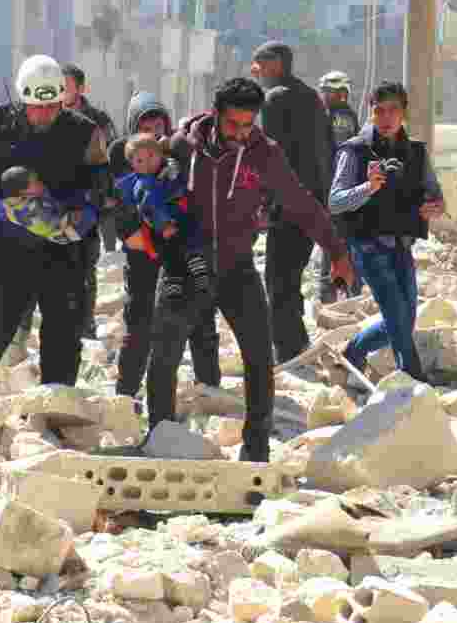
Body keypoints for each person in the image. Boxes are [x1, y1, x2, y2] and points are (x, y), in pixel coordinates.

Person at [144, 78, 353, 463]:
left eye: (248, 125)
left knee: (259, 358)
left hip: (236, 268)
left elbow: (301, 203)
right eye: (233, 125)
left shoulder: (264, 154)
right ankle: (160, 440)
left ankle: (255, 452)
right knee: (164, 355)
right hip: (184, 267)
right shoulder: (181, 147)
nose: (241, 134)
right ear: (216, 114)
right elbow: (144, 193)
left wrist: (337, 250)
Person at [0, 54, 107, 392]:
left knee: (64, 332)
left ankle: (56, 405)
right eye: (36, 107)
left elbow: (100, 186)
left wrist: (77, 214)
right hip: (1, 244)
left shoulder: (84, 133)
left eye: (52, 106)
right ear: (21, 99)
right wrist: (2, 208)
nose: (44, 114)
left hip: (62, 248)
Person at [330, 81, 446, 385]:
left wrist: (434, 207)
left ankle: (352, 352)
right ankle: (414, 382)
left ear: (403, 113)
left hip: (401, 246)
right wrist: (368, 187)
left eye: (393, 110)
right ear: (371, 113)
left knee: (404, 321)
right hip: (367, 246)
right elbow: (335, 201)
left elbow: (436, 196)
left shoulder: (416, 153)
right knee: (396, 317)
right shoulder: (355, 151)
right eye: (379, 110)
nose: (386, 117)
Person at [107, 92, 221, 401]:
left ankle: (209, 389)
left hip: (180, 248)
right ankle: (126, 395)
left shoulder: (177, 151)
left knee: (200, 318)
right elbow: (116, 199)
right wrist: (129, 232)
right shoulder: (122, 152)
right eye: (145, 124)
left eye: (159, 123)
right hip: (143, 250)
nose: (153, 130)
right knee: (140, 322)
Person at [249, 41, 331, 364]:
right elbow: (326, 149)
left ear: (277, 65)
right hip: (314, 203)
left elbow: (272, 157)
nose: (256, 72)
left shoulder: (274, 100)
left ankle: (288, 350)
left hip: (288, 204)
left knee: (278, 281)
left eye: (261, 65)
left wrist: (266, 203)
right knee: (291, 277)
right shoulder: (312, 97)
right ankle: (295, 343)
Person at [115, 133, 210, 297]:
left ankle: (197, 264)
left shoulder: (171, 167)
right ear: (133, 166)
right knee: (170, 252)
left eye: (151, 155)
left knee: (192, 231)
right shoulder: (143, 184)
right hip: (163, 224)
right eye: (139, 160)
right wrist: (163, 224)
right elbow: (148, 207)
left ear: (160, 154)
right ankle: (173, 281)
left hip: (181, 213)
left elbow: (183, 181)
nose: (147, 162)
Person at [62, 63, 117, 340]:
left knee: (85, 268)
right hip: (52, 207)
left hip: (87, 206)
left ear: (80, 89)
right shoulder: (45, 117)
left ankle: (85, 324)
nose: (60, 91)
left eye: (66, 85)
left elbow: (114, 157)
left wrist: (105, 197)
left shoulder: (97, 121)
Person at [317, 70, 364, 302]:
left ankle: (334, 292)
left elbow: (335, 153)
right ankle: (348, 291)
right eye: (324, 91)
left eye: (329, 92)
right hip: (343, 188)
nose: (325, 96)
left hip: (337, 188)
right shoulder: (344, 116)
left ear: (342, 94)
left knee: (335, 240)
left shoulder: (338, 117)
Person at [0, 166, 96, 244]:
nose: (39, 182)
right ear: (23, 191)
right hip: (68, 231)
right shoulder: (35, 213)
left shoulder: (11, 203)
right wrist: (71, 215)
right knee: (90, 211)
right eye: (34, 182)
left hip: (52, 212)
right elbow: (55, 223)